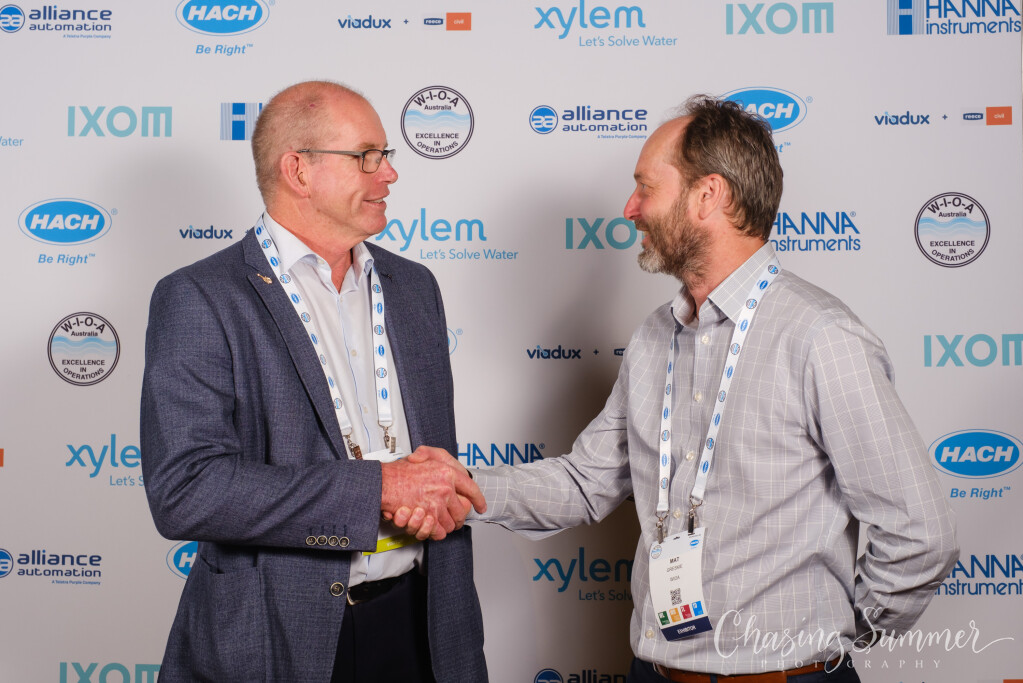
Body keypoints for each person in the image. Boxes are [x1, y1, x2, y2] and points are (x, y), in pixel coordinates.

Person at [407, 95, 959, 681]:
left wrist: (836, 639)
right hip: (654, 671)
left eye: (645, 188)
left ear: (708, 195)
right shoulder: (654, 338)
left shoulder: (820, 337)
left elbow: (921, 533)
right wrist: (460, 488)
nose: (630, 209)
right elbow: (586, 482)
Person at [140, 80, 487, 683]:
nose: (388, 174)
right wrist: (378, 488)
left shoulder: (414, 287)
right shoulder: (200, 297)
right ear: (298, 170)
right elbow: (187, 491)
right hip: (280, 637)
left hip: (425, 624)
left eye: (385, 156)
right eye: (366, 157)